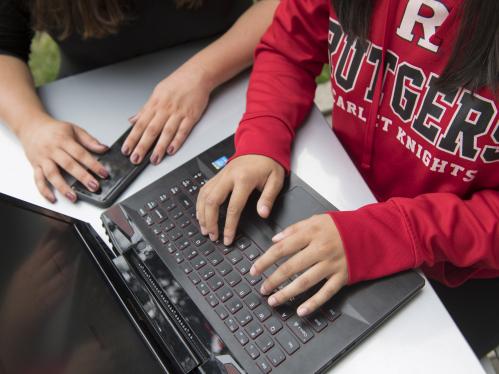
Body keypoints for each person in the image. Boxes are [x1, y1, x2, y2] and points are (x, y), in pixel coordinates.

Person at [196, 0, 499, 357]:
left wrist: (386, 233)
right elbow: (289, 46)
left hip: (460, 271)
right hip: (342, 211)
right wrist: (261, 139)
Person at [0, 0, 279, 203]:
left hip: (233, 78)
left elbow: (291, 6)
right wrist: (31, 124)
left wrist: (201, 74)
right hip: (89, 110)